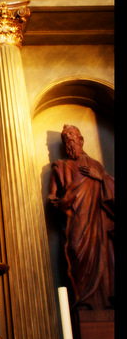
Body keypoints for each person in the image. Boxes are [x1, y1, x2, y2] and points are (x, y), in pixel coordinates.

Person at [48, 124, 114, 310]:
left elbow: (112, 191)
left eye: (72, 135)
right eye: (65, 137)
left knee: (103, 259)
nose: (69, 139)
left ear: (81, 139)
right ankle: (83, 299)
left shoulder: (95, 165)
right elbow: (52, 195)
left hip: (98, 222)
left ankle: (103, 301)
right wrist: (56, 201)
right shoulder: (60, 167)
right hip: (75, 219)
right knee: (75, 249)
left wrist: (100, 178)